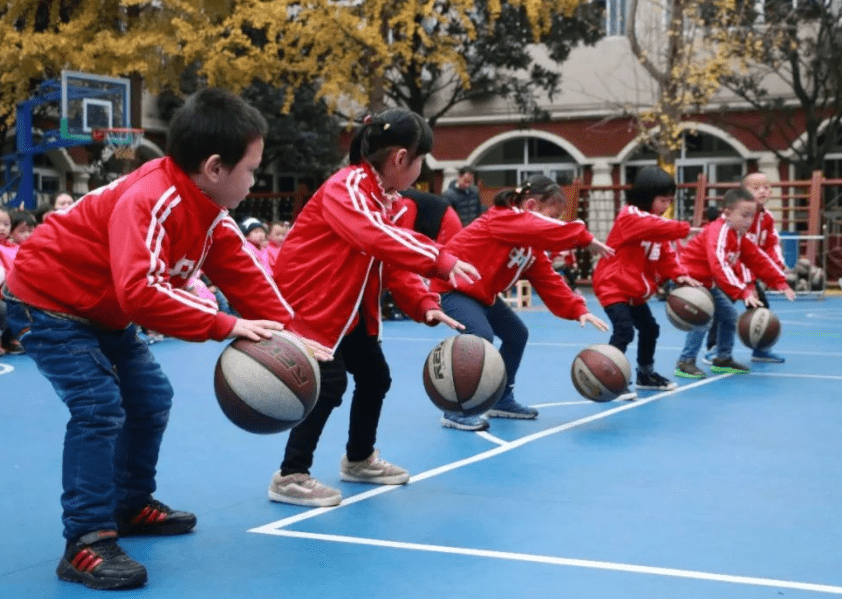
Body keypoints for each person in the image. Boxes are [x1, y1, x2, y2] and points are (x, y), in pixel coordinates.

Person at [2, 87, 329, 591]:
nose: (255, 180)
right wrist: (225, 324)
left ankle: (129, 504)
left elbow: (246, 276)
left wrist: (292, 336)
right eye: (252, 170)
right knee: (98, 404)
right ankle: (86, 540)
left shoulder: (209, 213)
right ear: (216, 167)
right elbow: (139, 290)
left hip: (101, 311)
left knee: (152, 397)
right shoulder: (151, 198)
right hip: (47, 302)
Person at [267, 108, 480, 508]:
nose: (420, 170)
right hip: (311, 307)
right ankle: (291, 474)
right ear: (402, 158)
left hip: (347, 311)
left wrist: (424, 303)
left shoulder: (383, 198)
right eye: (420, 161)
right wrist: (441, 258)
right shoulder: (345, 187)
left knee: (375, 376)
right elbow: (376, 237)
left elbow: (391, 260)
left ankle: (359, 459)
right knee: (328, 386)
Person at [430, 175, 613, 431]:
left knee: (517, 334)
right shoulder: (501, 217)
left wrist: (577, 308)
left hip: (481, 295)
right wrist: (581, 236)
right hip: (451, 287)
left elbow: (549, 280)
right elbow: (543, 228)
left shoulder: (530, 249)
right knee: (479, 335)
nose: (557, 221)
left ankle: (501, 398)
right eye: (555, 214)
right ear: (530, 206)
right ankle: (457, 409)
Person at [592, 166, 701, 398]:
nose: (666, 206)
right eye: (662, 200)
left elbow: (666, 255)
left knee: (650, 329)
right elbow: (655, 226)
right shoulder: (630, 217)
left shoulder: (655, 224)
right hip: (613, 285)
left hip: (634, 291)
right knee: (624, 331)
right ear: (645, 196)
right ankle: (610, 376)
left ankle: (645, 374)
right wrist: (685, 229)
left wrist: (678, 274)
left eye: (669, 201)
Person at [674, 187, 795, 379]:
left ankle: (723, 359)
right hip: (690, 280)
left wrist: (779, 281)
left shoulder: (738, 235)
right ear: (728, 214)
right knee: (703, 318)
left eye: (752, 216)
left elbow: (757, 258)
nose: (749, 221)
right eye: (745, 215)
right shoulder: (719, 231)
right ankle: (685, 362)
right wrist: (743, 291)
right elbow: (719, 265)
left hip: (706, 283)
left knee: (730, 316)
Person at [735, 171, 789, 363]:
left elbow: (772, 243)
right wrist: (748, 284)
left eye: (766, 187)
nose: (762, 191)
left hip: (749, 272)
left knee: (762, 309)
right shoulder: (740, 216)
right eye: (756, 188)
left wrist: (777, 267)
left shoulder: (767, 217)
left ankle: (761, 349)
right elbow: (741, 251)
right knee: (722, 312)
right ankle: (715, 349)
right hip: (728, 272)